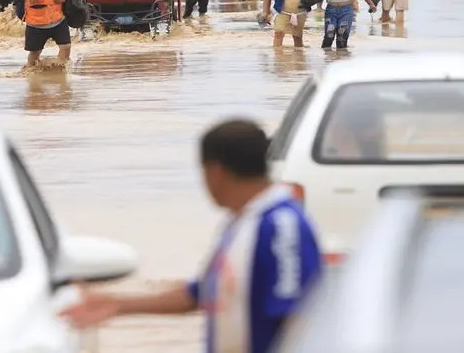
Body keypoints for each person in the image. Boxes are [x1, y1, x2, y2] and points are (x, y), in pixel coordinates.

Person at [60, 119, 323, 353]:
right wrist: (116, 304)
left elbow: (299, 315)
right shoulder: (243, 222)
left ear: (215, 171)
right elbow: (200, 293)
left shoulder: (281, 225)